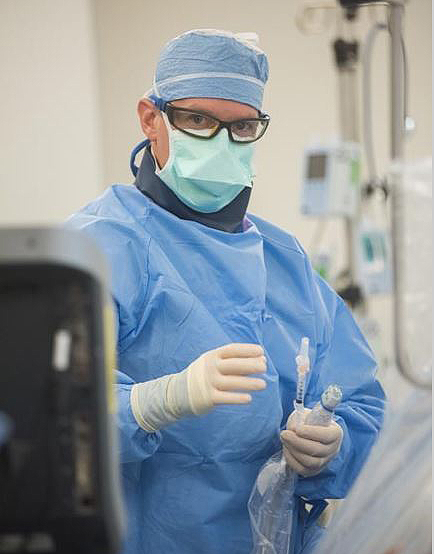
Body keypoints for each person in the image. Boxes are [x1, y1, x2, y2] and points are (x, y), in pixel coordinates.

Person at [66, 29, 385, 554]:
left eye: (241, 126)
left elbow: (359, 400)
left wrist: (334, 445)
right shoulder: (100, 245)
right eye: (197, 120)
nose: (220, 141)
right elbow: (44, 417)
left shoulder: (286, 262)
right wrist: (150, 403)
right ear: (152, 119)